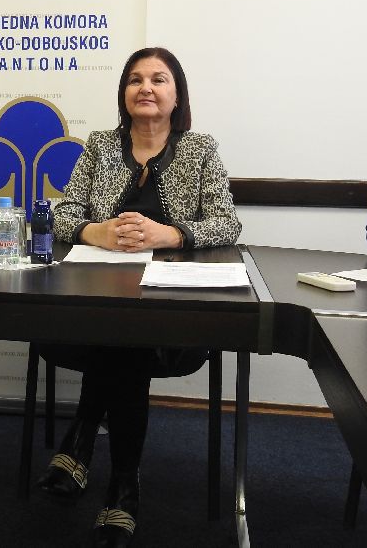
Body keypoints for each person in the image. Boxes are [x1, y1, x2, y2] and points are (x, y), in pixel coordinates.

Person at [44, 47, 241, 547]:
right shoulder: (99, 146)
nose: (146, 88)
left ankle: (83, 442)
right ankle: (123, 486)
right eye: (135, 79)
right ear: (123, 93)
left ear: (177, 94)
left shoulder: (199, 149)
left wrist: (169, 234)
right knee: (121, 334)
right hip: (97, 298)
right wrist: (96, 232)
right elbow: (62, 215)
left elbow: (227, 223)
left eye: (158, 79)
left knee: (128, 337)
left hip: (173, 312)